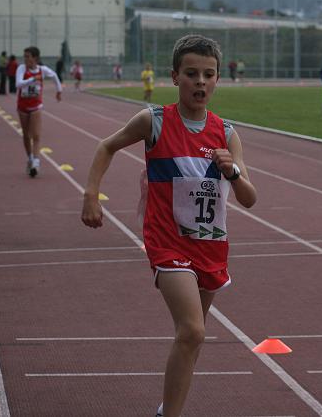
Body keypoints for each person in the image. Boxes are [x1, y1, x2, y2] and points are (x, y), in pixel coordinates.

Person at [81, 34, 257, 417]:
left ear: (217, 80)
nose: (200, 82)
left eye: (208, 75)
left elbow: (249, 198)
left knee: (190, 340)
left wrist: (234, 171)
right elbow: (105, 146)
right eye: (191, 73)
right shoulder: (154, 121)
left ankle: (166, 409)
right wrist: (91, 194)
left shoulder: (227, 133)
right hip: (168, 244)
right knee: (193, 331)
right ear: (174, 76)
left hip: (211, 245)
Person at [16, 46, 62, 177]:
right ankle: (30, 158)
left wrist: (59, 91)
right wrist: (32, 80)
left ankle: (36, 162)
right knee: (26, 135)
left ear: (35, 58)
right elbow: (18, 84)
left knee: (36, 135)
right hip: (22, 106)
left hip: (36, 106)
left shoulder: (42, 70)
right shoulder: (21, 69)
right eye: (24, 56)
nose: (25, 59)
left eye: (28, 57)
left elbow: (54, 76)